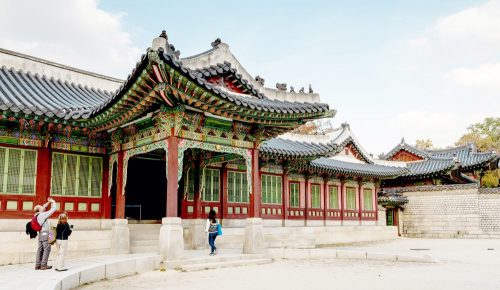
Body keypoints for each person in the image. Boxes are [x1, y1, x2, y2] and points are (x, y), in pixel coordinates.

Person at [33, 197, 57, 270]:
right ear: (40, 210)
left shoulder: (36, 215)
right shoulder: (42, 215)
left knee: (40, 249)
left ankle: (38, 265)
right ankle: (44, 265)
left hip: (40, 234)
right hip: (45, 233)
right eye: (42, 207)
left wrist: (48, 202)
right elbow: (53, 209)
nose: (43, 207)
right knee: (47, 249)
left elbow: (43, 207)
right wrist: (53, 201)